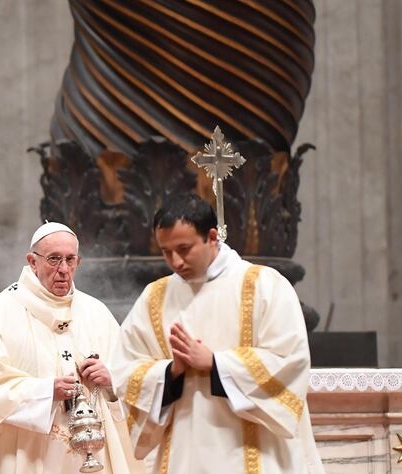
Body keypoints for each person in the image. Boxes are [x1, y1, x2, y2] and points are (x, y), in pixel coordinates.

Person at [110, 193, 325, 473]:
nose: (175, 261)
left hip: (254, 453)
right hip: (183, 454)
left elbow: (290, 361)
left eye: (184, 249)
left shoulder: (264, 285)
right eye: (166, 252)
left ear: (212, 237)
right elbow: (125, 370)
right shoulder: (156, 297)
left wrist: (215, 364)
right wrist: (170, 373)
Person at [0, 222, 143, 473]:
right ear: (32, 261)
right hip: (32, 452)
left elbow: (130, 372)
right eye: (54, 259)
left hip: (94, 449)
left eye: (70, 259)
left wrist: (110, 379)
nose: (63, 269)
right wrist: (45, 391)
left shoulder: (96, 312)